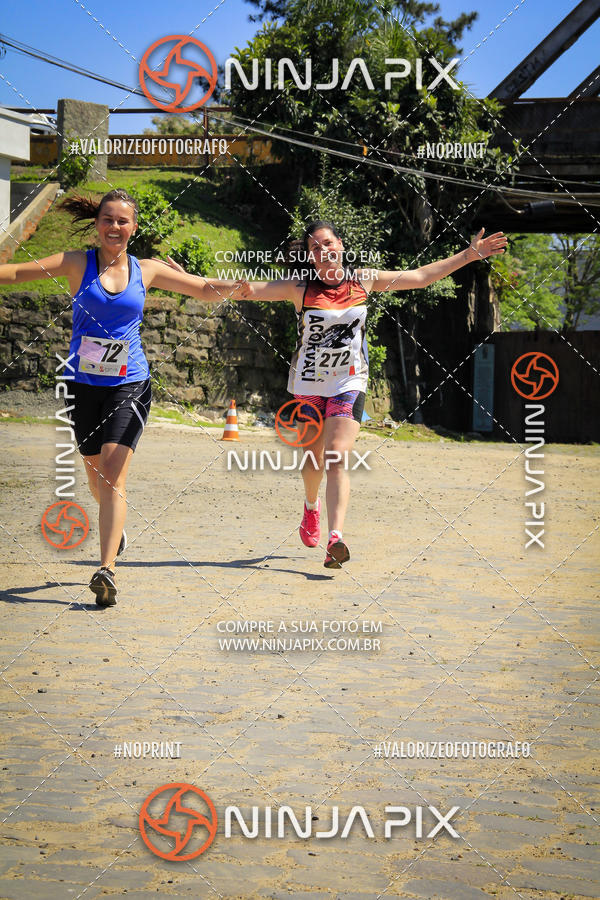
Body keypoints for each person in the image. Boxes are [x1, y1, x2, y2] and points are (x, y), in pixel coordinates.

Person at [0, 188, 245, 607]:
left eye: (122, 220)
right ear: (97, 224)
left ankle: (106, 570)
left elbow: (203, 289)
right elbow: (17, 274)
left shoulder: (145, 269)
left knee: (113, 473)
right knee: (96, 477)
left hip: (129, 383)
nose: (115, 226)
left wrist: (241, 288)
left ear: (134, 227)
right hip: (82, 385)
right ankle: (117, 531)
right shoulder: (78, 262)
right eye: (107, 219)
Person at [221, 220, 506, 569]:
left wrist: (469, 255)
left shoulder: (364, 279)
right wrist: (195, 281)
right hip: (308, 387)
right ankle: (311, 509)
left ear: (340, 245)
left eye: (327, 243)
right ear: (310, 258)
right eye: (314, 248)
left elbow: (420, 277)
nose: (323, 251)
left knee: (337, 457)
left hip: (348, 383)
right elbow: (246, 289)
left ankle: (335, 538)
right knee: (314, 462)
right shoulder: (300, 289)